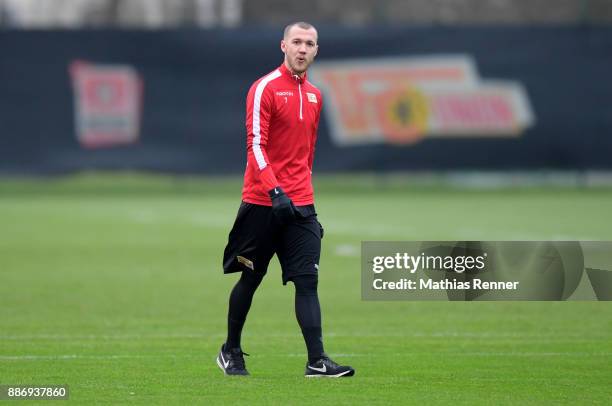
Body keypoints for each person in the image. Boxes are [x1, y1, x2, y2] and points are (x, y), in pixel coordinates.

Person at [217, 21, 355, 378]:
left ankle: (317, 360)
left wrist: (306, 205)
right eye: (296, 42)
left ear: (316, 51)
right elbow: (255, 146)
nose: (302, 49)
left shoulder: (315, 95)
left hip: (300, 206)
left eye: (309, 43)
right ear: (283, 46)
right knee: (251, 278)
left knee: (307, 282)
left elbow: (306, 154)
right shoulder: (264, 88)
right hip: (263, 203)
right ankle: (230, 349)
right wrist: (274, 189)